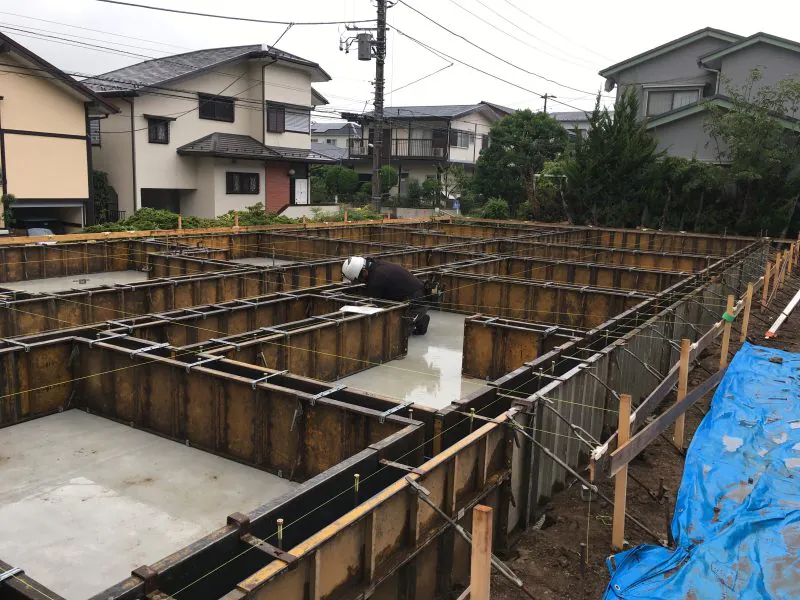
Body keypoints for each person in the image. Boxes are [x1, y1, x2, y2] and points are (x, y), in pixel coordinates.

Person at [342, 256, 431, 335]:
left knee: (395, 334)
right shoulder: (374, 264)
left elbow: (370, 305)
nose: (359, 282)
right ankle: (417, 317)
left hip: (417, 302)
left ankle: (421, 320)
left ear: (364, 272)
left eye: (358, 280)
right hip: (405, 297)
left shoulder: (377, 279)